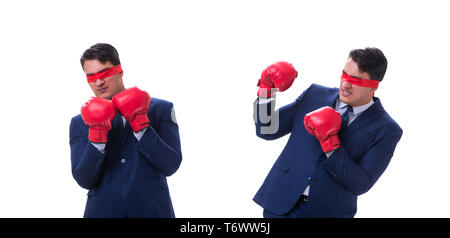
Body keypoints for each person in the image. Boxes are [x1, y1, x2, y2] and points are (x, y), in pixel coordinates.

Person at [253, 48, 402, 218]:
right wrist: (266, 89)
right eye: (344, 74)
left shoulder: (386, 129)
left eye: (356, 80)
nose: (345, 84)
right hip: (280, 203)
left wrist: (330, 145)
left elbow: (360, 184)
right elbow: (267, 129)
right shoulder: (315, 94)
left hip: (328, 212)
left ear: (373, 86)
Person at [69, 43, 182, 217]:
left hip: (151, 211)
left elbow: (171, 165)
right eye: (91, 77)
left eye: (104, 73)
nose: (98, 82)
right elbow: (84, 180)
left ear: (120, 71)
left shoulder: (160, 109)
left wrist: (141, 125)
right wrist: (96, 137)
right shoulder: (79, 122)